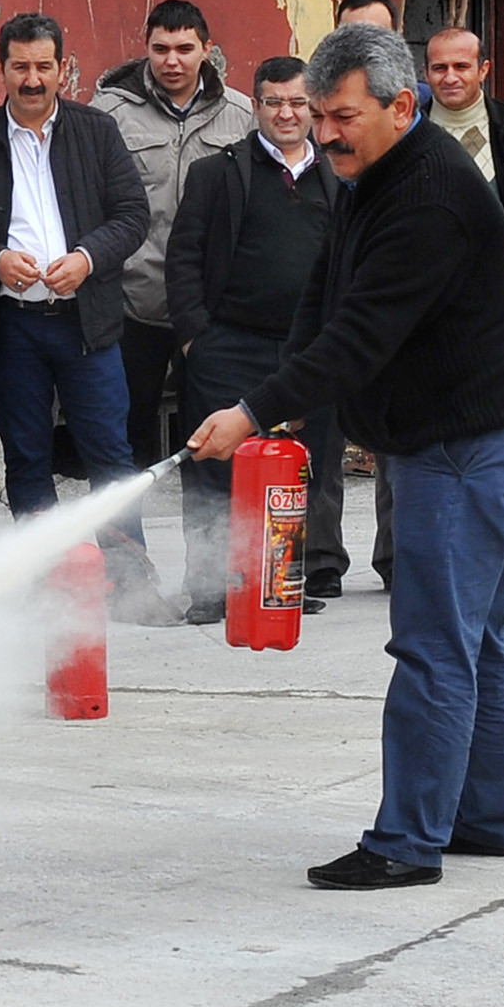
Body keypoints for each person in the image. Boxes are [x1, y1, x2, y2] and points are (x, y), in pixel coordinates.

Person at [189, 24, 504, 890]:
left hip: (471, 448)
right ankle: (484, 817)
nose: (324, 133)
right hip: (470, 436)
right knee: (473, 635)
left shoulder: (428, 195)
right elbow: (322, 294)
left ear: (401, 105)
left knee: (432, 644)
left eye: (341, 117)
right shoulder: (369, 173)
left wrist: (250, 410)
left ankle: (406, 841)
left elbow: (357, 337)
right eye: (317, 115)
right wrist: (278, 397)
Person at [0, 13, 174, 621]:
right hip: (11, 326)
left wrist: (87, 258)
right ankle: (51, 585)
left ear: (63, 68)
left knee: (111, 454)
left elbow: (131, 214)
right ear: (1, 69)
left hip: (87, 322)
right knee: (27, 457)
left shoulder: (97, 132)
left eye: (44, 66)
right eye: (21, 67)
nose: (33, 79)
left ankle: (131, 583)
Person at [362, 27, 504, 601]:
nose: (450, 77)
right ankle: (403, 562)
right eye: (438, 68)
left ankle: (499, 574)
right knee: (414, 451)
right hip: (423, 326)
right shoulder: (405, 135)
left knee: (502, 450)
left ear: (484, 69)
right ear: (423, 74)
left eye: (462, 66)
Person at [164, 56, 344, 624]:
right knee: (214, 470)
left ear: (313, 107)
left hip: (307, 353)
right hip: (227, 347)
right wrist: (196, 339)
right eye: (274, 102)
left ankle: (277, 583)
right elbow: (183, 258)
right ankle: (210, 588)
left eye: (297, 102)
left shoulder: (340, 175)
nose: (286, 113)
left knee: (296, 472)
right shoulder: (216, 174)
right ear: (256, 106)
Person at [91, 0, 254, 470]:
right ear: (146, 47)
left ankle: (206, 521)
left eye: (185, 49)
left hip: (208, 306)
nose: (172, 61)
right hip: (131, 301)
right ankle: (129, 522)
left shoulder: (241, 114)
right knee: (125, 435)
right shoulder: (109, 113)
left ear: (207, 49)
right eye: (161, 49)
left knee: (210, 435)